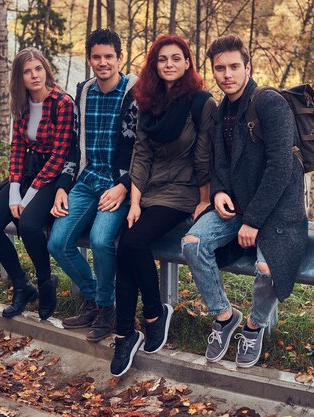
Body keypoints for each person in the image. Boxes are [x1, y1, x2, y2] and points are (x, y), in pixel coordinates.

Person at [181, 35, 308, 367]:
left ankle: (254, 327)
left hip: (279, 208)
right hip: (238, 204)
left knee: (267, 268)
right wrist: (220, 191)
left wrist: (252, 220)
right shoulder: (223, 108)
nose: (227, 75)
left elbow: (281, 166)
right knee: (193, 243)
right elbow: (220, 162)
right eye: (220, 68)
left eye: (234, 66)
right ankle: (225, 317)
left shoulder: (269, 102)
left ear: (248, 67)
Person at [109, 35, 216, 377]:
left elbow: (204, 156)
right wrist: (134, 201)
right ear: (154, 65)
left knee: (134, 243)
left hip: (183, 191)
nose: (168, 64)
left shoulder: (201, 103)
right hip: (151, 190)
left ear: (187, 63)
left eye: (176, 58)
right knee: (123, 244)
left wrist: (203, 199)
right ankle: (125, 333)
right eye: (162, 59)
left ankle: (154, 313)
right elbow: (140, 152)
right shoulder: (148, 101)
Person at [47, 29, 138, 343]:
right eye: (96, 57)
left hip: (118, 185)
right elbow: (74, 144)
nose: (103, 63)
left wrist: (126, 185)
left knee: (100, 240)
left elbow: (144, 150)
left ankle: (106, 307)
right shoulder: (83, 91)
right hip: (86, 181)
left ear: (119, 58)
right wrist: (62, 184)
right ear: (89, 59)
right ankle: (93, 300)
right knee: (57, 242)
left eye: (109, 57)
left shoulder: (135, 92)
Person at [0, 48, 74, 321]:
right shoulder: (20, 104)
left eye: (38, 69)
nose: (34, 76)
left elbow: (59, 155)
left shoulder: (62, 103)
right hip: (27, 172)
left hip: (51, 177)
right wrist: (13, 193)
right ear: (19, 77)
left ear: (46, 70)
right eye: (27, 71)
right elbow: (18, 149)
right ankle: (22, 285)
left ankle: (46, 283)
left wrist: (29, 195)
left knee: (30, 226)